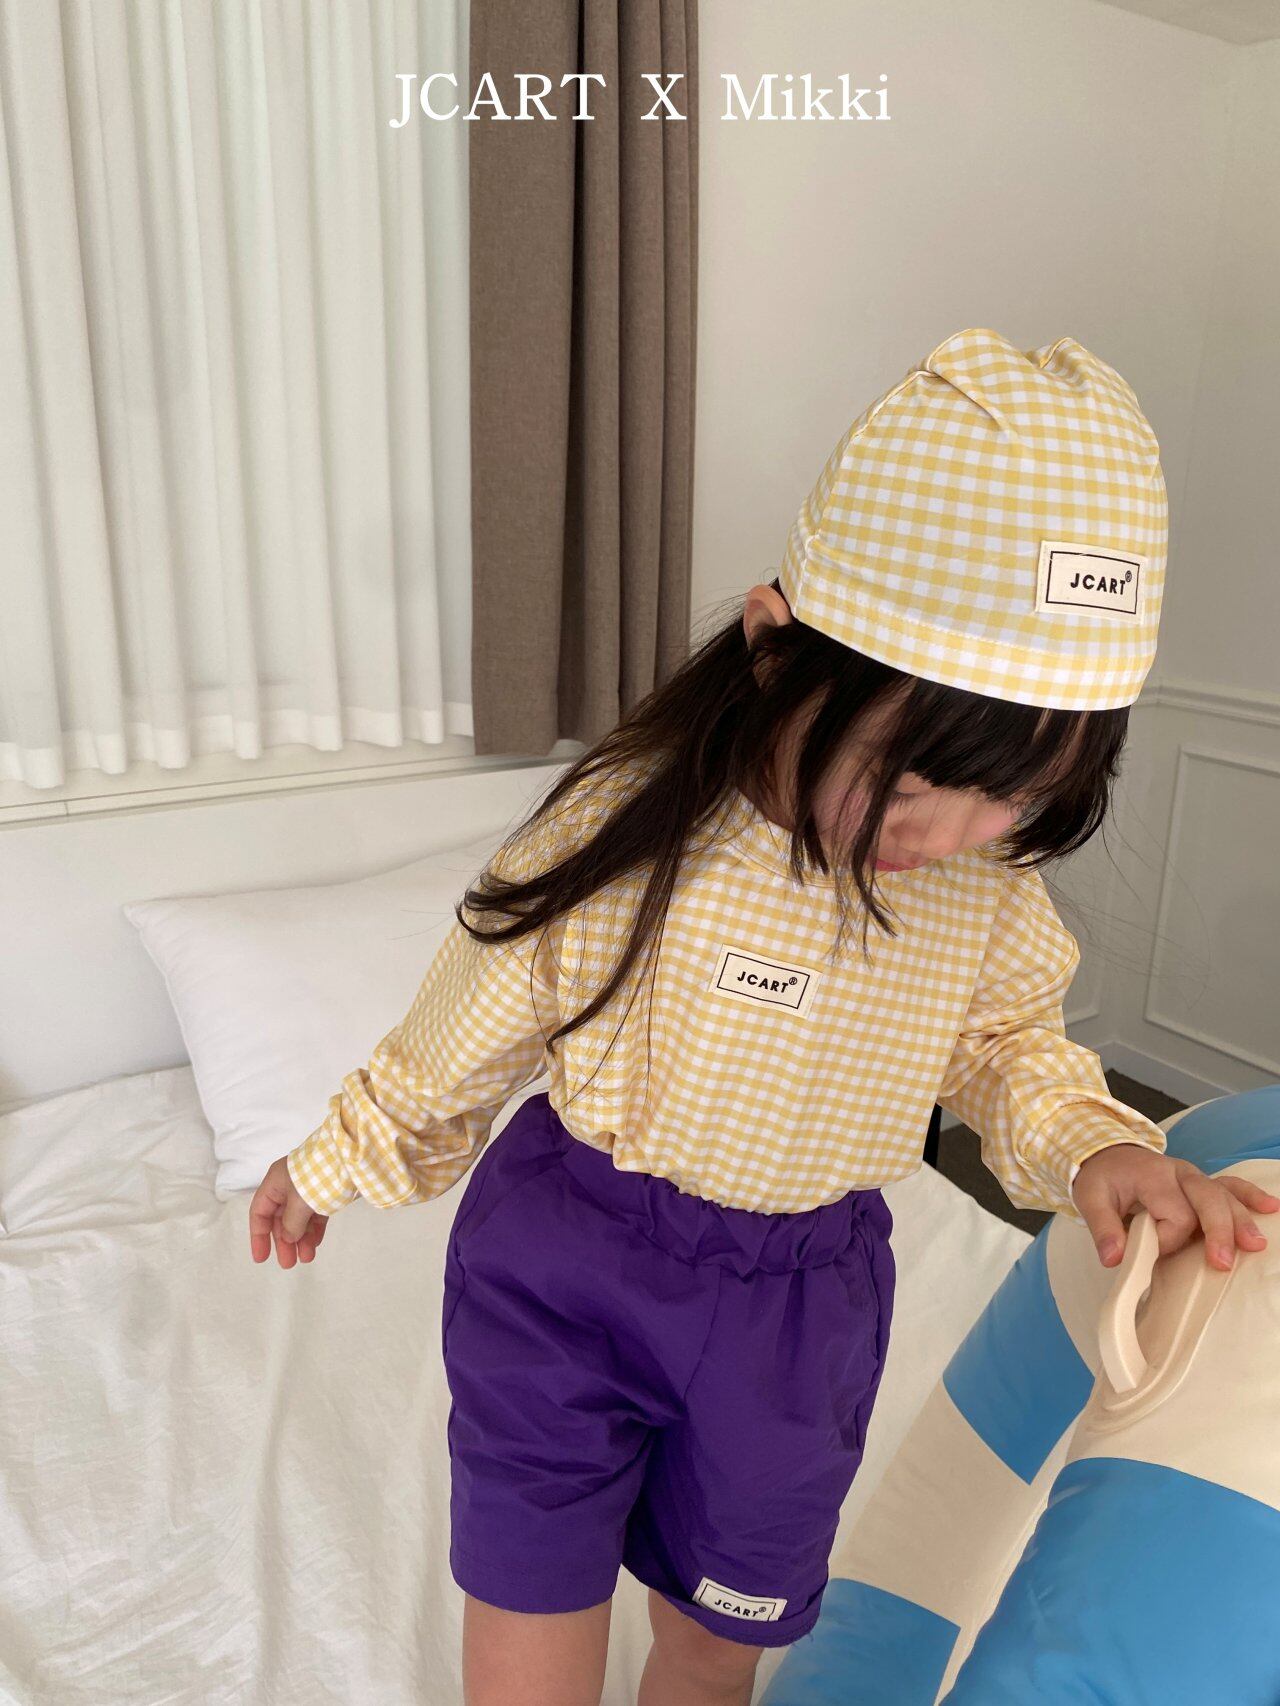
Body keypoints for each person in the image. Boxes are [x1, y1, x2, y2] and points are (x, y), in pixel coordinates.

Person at [248, 328, 1278, 1706]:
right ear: (775, 650)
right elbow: (477, 1011)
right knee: (531, 1594)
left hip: (799, 1308)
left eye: (1016, 797)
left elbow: (1008, 1050)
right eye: (914, 778)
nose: (950, 834)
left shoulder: (981, 894)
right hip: (567, 1261)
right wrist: (334, 1159)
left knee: (719, 1637)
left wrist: (1096, 1143)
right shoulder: (634, 829)